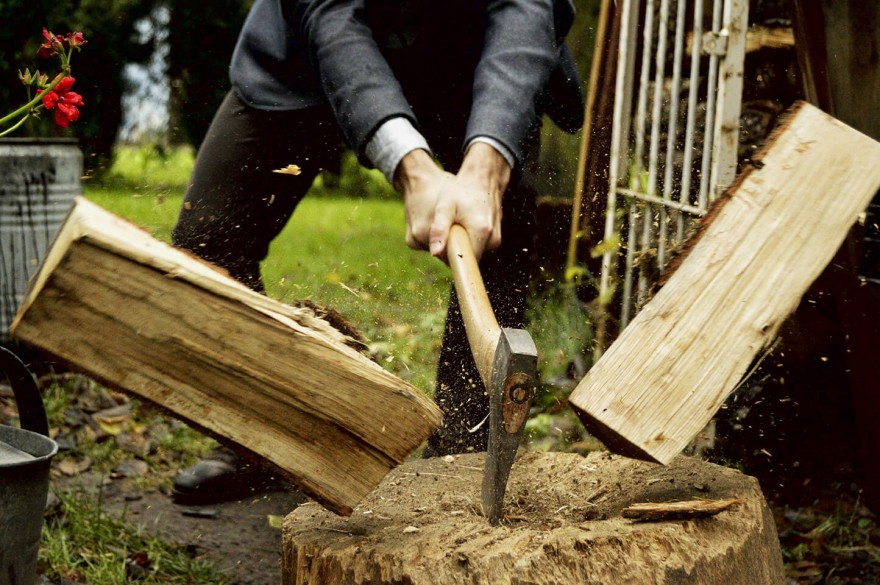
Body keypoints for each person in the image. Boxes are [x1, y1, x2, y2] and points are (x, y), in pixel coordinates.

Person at [170, 0, 584, 505]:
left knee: (497, 224)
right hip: (309, 55)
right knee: (209, 241)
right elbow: (329, 12)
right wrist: (410, 166)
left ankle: (463, 458)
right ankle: (261, 434)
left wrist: (487, 164)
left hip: (475, 55)